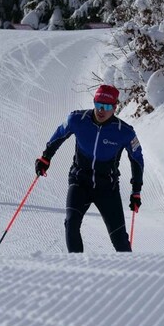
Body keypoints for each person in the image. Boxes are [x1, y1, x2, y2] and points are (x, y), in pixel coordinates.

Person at [35, 84, 144, 253]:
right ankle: (78, 270)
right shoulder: (77, 120)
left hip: (107, 188)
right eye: (98, 104)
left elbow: (137, 159)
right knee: (71, 224)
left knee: (120, 239)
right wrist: (45, 158)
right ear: (94, 102)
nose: (101, 110)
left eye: (107, 107)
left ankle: (131, 276)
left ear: (115, 107)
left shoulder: (124, 132)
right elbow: (59, 135)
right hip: (80, 182)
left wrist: (136, 190)